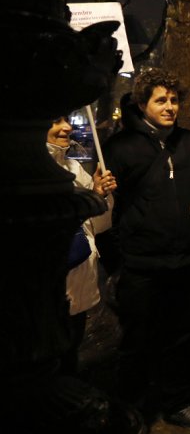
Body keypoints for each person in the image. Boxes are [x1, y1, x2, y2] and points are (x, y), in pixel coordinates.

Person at [104, 68, 190, 432]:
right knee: (137, 339)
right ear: (143, 103)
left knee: (181, 337)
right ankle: (130, 409)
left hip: (185, 261)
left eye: (174, 100)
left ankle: (177, 403)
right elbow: (105, 206)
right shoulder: (120, 146)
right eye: (161, 100)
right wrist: (101, 187)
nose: (170, 106)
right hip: (141, 263)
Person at [47, 115, 116, 374]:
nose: (66, 127)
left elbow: (98, 225)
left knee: (68, 362)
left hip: (77, 286)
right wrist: (91, 199)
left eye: (66, 120)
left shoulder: (74, 169)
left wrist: (102, 196)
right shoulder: (29, 173)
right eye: (55, 121)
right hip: (49, 293)